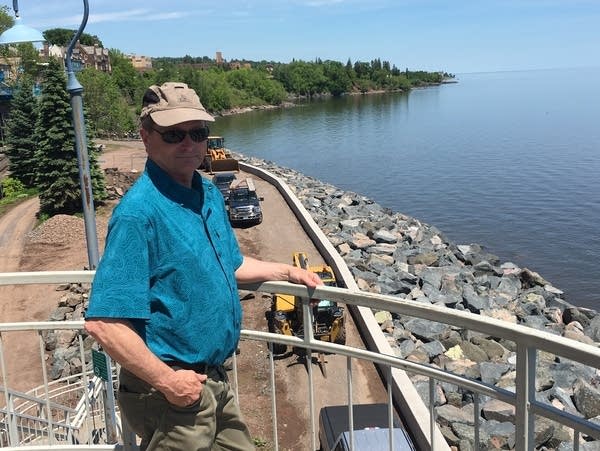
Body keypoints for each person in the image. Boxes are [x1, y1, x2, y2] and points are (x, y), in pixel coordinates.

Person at [84, 81, 323, 451]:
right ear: (146, 137)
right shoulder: (138, 215)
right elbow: (104, 323)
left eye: (197, 132)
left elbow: (233, 264)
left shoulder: (207, 191)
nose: (189, 143)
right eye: (173, 134)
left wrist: (286, 272)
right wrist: (168, 382)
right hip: (170, 392)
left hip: (212, 380)